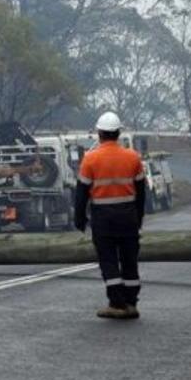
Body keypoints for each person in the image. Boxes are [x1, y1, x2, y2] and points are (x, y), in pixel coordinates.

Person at [74, 112, 147, 320]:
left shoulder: (90, 159)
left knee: (108, 260)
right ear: (118, 133)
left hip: (103, 219)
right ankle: (131, 303)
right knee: (129, 260)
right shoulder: (132, 157)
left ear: (99, 133)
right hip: (129, 217)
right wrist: (139, 217)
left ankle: (117, 304)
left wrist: (79, 220)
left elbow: (81, 193)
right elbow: (141, 192)